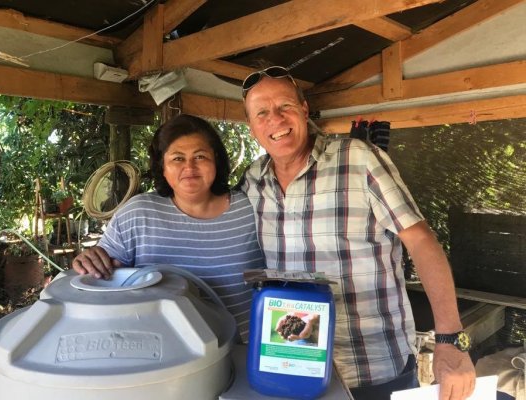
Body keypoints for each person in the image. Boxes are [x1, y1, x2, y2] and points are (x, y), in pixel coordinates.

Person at [238, 66, 476, 400]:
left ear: (304, 110)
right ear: (251, 127)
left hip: (370, 367)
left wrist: (450, 341)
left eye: (284, 106)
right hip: (291, 365)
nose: (275, 119)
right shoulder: (252, 181)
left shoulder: (358, 159)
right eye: (261, 112)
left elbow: (421, 241)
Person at [72, 114, 265, 341]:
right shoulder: (138, 213)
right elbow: (105, 274)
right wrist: (90, 260)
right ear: (162, 166)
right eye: (177, 158)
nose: (189, 167)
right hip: (162, 351)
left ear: (217, 161)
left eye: (200, 156)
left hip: (241, 348)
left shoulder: (250, 207)